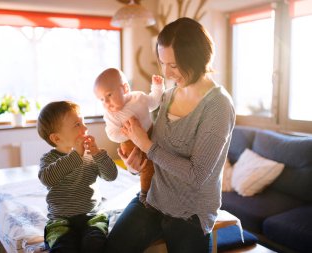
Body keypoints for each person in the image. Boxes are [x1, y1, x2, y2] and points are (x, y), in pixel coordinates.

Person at [105, 17, 236, 253]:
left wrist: (146, 145)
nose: (166, 73)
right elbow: (153, 151)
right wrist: (135, 163)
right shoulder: (167, 96)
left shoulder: (218, 106)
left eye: (174, 65)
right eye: (162, 63)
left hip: (190, 212)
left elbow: (197, 175)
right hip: (153, 198)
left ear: (198, 59)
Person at [37, 101, 118, 253]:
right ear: (56, 138)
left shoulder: (92, 155)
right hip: (60, 221)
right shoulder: (48, 159)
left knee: (95, 245)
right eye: (77, 125)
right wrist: (76, 155)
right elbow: (47, 178)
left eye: (83, 122)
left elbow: (111, 176)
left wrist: (99, 154)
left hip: (92, 216)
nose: (85, 128)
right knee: (63, 247)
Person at [93, 67, 164, 205]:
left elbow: (154, 103)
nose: (106, 103)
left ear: (125, 88)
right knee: (146, 167)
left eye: (109, 95)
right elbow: (112, 133)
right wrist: (128, 133)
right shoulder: (111, 114)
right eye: (101, 99)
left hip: (150, 134)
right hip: (131, 144)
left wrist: (157, 87)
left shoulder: (139, 98)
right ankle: (145, 194)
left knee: (158, 162)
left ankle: (161, 190)